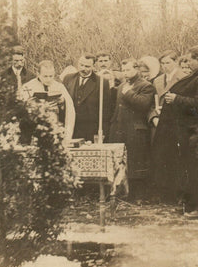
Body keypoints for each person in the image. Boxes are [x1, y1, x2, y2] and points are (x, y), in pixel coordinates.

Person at [152, 46, 198, 215]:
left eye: (190, 60)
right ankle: (193, 204)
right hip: (194, 132)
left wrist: (177, 99)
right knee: (193, 169)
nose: (187, 63)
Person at [109, 59, 155, 191]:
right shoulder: (123, 85)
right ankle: (122, 191)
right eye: (123, 70)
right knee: (120, 162)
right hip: (120, 128)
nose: (125, 73)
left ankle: (138, 194)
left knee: (136, 162)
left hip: (135, 130)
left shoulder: (146, 85)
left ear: (136, 69)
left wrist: (129, 93)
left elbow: (144, 104)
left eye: (128, 70)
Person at [21, 60, 75, 141]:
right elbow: (21, 109)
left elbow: (70, 110)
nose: (48, 79)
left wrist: (62, 103)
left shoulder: (59, 87)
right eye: (45, 76)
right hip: (34, 129)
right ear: (38, 73)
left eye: (51, 76)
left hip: (55, 128)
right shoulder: (28, 87)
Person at [63, 54, 111, 142]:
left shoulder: (102, 82)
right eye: (81, 65)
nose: (83, 69)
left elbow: (106, 111)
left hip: (90, 130)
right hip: (71, 128)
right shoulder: (68, 79)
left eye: (87, 66)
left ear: (94, 66)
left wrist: (102, 133)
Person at [148, 50, 188, 138]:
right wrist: (154, 118)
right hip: (158, 125)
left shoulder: (185, 78)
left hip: (175, 126)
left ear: (176, 62)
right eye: (162, 63)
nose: (165, 66)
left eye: (168, 63)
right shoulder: (157, 80)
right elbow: (151, 103)